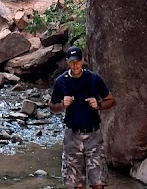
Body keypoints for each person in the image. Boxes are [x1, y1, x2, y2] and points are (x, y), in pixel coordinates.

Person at [49, 45, 115, 189]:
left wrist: (98, 105)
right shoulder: (61, 81)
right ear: (68, 62)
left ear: (82, 60)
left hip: (93, 136)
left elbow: (111, 100)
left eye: (77, 61)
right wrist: (62, 105)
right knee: (78, 185)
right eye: (72, 62)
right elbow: (52, 106)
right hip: (72, 136)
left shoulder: (93, 78)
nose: (75, 65)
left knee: (98, 183)